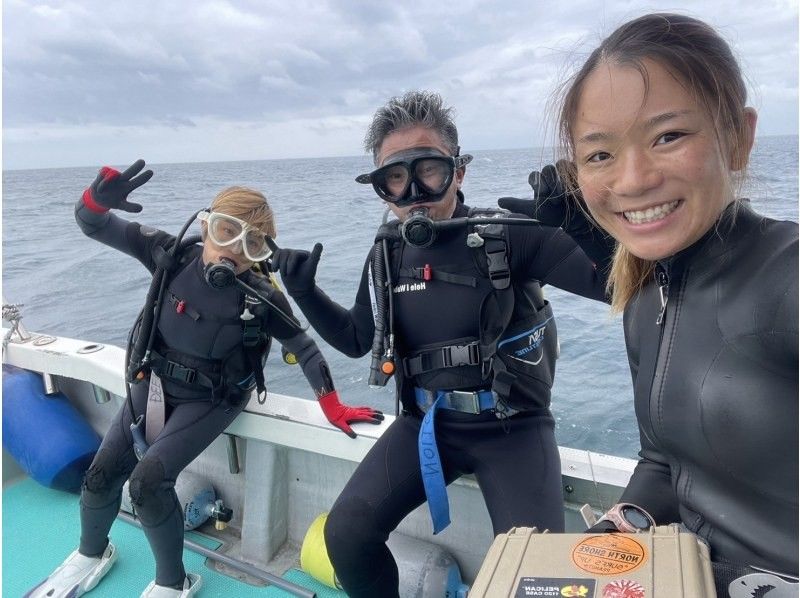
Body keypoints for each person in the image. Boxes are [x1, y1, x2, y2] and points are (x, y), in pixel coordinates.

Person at [501, 13, 798, 597]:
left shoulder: (788, 276)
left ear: (738, 137)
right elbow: (664, 461)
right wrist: (625, 523)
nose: (632, 180)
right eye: (599, 155)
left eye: (668, 136)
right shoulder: (645, 296)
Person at [272, 90, 609, 597]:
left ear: (458, 171)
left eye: (428, 170)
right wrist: (304, 292)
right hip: (425, 426)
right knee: (346, 533)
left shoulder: (509, 236)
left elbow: (614, 283)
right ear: (382, 188)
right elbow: (356, 339)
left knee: (537, 577)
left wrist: (587, 228)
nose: (414, 192)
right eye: (395, 178)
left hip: (514, 430)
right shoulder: (386, 253)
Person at [27, 161, 383, 598]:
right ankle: (90, 553)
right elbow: (93, 225)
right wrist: (96, 200)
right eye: (225, 232)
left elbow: (306, 349)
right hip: (150, 380)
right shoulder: (169, 254)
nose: (231, 250)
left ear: (261, 254)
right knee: (100, 476)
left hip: (210, 398)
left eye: (250, 243)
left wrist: (333, 406)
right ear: (205, 224)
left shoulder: (261, 297)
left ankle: (173, 584)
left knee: (147, 484)